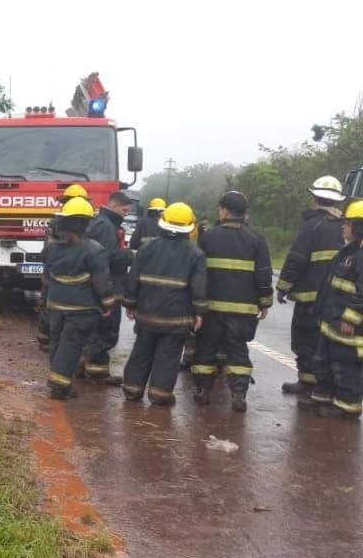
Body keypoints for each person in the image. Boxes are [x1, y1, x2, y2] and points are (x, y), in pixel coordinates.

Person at [191, 191, 274, 412]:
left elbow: (199, 274)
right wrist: (265, 301)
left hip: (212, 309)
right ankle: (239, 395)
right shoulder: (256, 239)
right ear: (244, 212)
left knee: (205, 351)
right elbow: (264, 274)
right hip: (243, 311)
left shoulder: (208, 237)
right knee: (238, 351)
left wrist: (196, 303)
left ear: (225, 210)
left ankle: (202, 391)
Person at [121, 202, 207, 405]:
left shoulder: (147, 247)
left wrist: (130, 303)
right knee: (168, 356)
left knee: (141, 351)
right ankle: (160, 395)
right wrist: (200, 313)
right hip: (176, 319)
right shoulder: (195, 254)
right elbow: (199, 287)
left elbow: (133, 278)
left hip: (146, 314)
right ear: (190, 227)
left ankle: (132, 390)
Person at [275, 175, 346, 395]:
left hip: (310, 297)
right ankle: (325, 387)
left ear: (315, 197)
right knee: (329, 342)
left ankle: (308, 383)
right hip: (338, 298)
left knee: (305, 339)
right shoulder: (347, 226)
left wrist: (283, 286)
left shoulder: (313, 225)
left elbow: (297, 258)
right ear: (337, 200)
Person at [44, 197, 114, 399]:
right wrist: (108, 303)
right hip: (82, 309)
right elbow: (102, 281)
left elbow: (47, 274)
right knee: (71, 345)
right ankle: (59, 386)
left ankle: (60, 381)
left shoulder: (52, 247)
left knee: (57, 343)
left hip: (55, 305)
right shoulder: (94, 249)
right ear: (85, 223)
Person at [299, 200, 363, 420]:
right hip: (332, 320)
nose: (343, 227)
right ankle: (324, 396)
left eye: (348, 223)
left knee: (346, 365)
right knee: (325, 360)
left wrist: (351, 318)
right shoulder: (349, 250)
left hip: (348, 326)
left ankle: (347, 406)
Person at [81, 190, 132, 384]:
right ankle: (80, 361)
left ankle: (96, 373)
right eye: (124, 210)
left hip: (107, 283)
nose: (126, 214)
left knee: (102, 330)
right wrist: (130, 255)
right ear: (113, 206)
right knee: (106, 332)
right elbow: (106, 257)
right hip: (109, 284)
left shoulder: (105, 223)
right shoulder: (105, 226)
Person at [36, 183, 88, 348]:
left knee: (49, 302)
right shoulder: (65, 224)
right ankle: (49, 337)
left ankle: (46, 338)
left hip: (52, 269)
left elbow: (47, 252)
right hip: (61, 270)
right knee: (53, 305)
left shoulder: (57, 221)